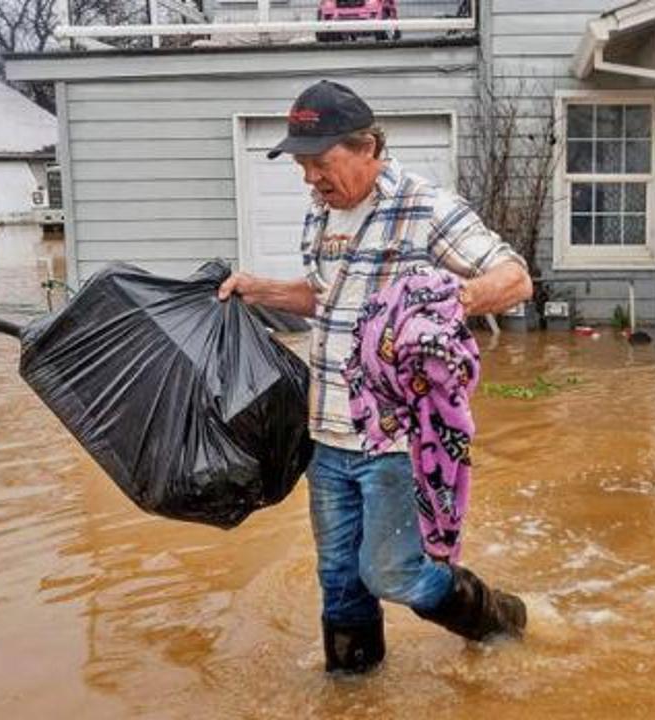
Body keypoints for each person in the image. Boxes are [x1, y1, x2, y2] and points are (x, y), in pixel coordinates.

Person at [217, 80, 533, 674]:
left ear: (367, 147)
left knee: (392, 572)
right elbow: (325, 297)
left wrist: (443, 300)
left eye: (320, 161)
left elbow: (515, 279)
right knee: (339, 580)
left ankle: (499, 618)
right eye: (302, 165)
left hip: (394, 442)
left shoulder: (426, 207)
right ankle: (353, 692)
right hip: (326, 433)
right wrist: (259, 289)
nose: (310, 177)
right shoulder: (322, 213)